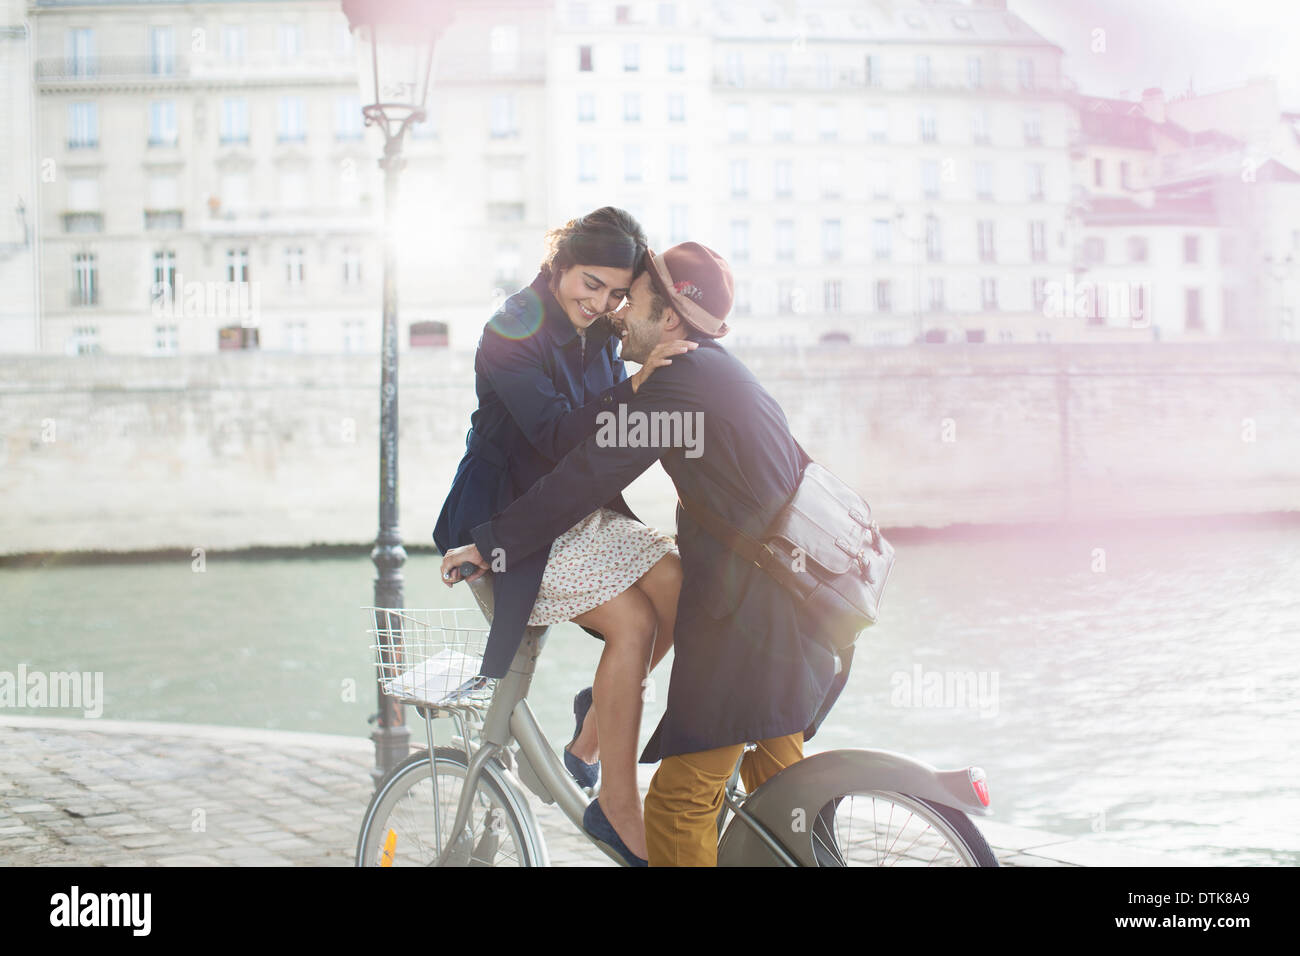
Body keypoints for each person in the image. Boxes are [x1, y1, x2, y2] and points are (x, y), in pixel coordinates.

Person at [440, 241, 852, 866]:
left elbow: (585, 474)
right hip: (797, 615)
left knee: (677, 807)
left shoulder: (677, 389)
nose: (616, 313)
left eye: (629, 301)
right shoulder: (716, 373)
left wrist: (492, 542)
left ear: (668, 319)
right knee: (783, 801)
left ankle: (603, 771)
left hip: (748, 627)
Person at [433, 207, 693, 865]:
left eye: (615, 293)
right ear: (560, 265)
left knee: (684, 587)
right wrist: (637, 383)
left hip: (574, 508)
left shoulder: (600, 329)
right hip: (507, 519)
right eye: (590, 283)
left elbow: (608, 439)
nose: (601, 303)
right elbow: (552, 433)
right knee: (633, 625)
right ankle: (616, 804)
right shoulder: (510, 327)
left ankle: (587, 739)